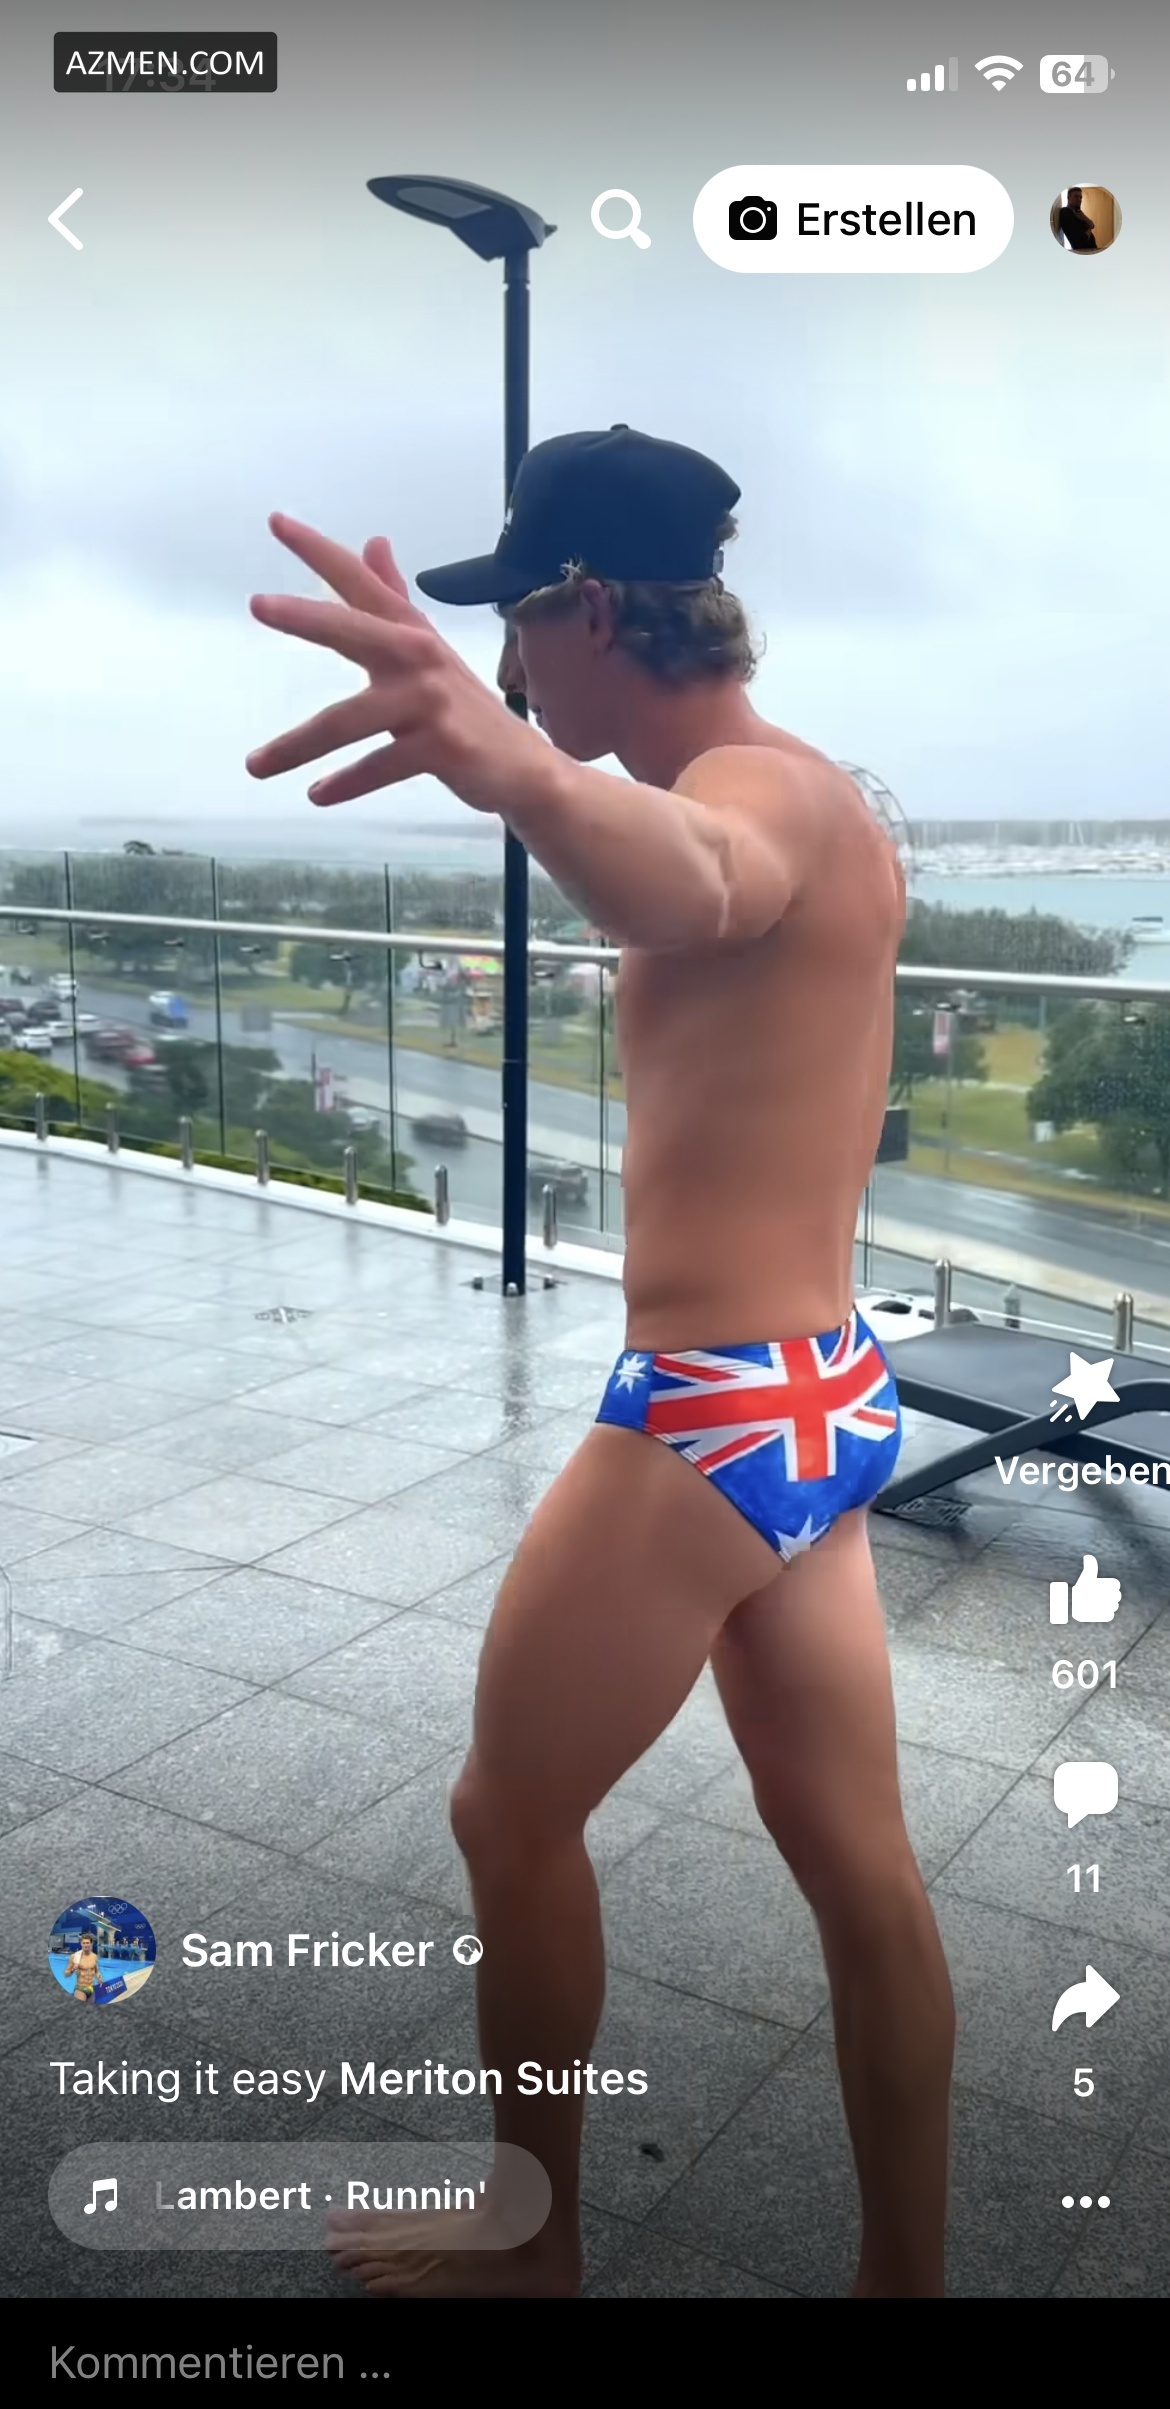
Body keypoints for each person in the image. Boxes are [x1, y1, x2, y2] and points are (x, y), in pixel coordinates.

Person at [246, 424, 956, 2298]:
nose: (507, 674)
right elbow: (684, 879)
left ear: (587, 610)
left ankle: (530, 2246)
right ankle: (905, 2278)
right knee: (864, 1877)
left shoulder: (756, 796)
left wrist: (498, 763)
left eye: (515, 629)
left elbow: (693, 881)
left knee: (506, 1813)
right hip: (822, 1397)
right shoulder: (821, 785)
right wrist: (526, 772)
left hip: (711, 1417)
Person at [1057, 187, 1098, 253]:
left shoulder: (1077, 212)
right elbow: (1082, 241)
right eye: (1076, 196)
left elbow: (1093, 225)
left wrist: (1084, 217)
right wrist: (1089, 227)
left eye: (1080, 197)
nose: (1079, 200)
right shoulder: (1066, 212)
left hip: (1091, 250)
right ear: (1068, 198)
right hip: (1084, 252)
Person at [67, 1932, 102, 2001]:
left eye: (87, 1943)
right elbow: (66, 1973)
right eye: (84, 1943)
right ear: (81, 1943)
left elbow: (96, 1971)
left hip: (91, 1988)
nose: (85, 1945)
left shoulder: (94, 1956)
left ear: (91, 1944)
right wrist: (73, 1969)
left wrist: (99, 1977)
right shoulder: (75, 1956)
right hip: (81, 1988)